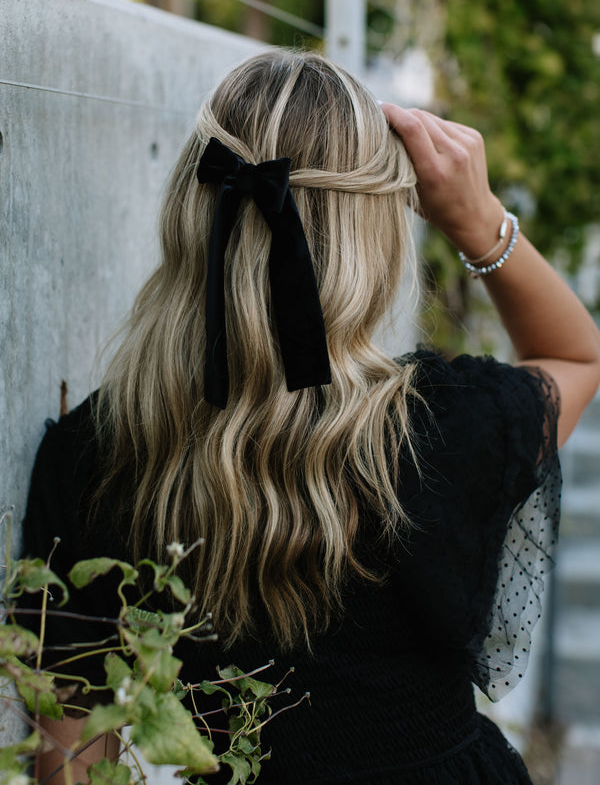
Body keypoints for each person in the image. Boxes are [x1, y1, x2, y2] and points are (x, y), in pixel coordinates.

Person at [22, 49, 600, 784]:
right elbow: (576, 356)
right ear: (375, 234)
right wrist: (478, 219)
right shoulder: (447, 429)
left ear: (193, 212)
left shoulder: (97, 453)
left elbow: (69, 759)